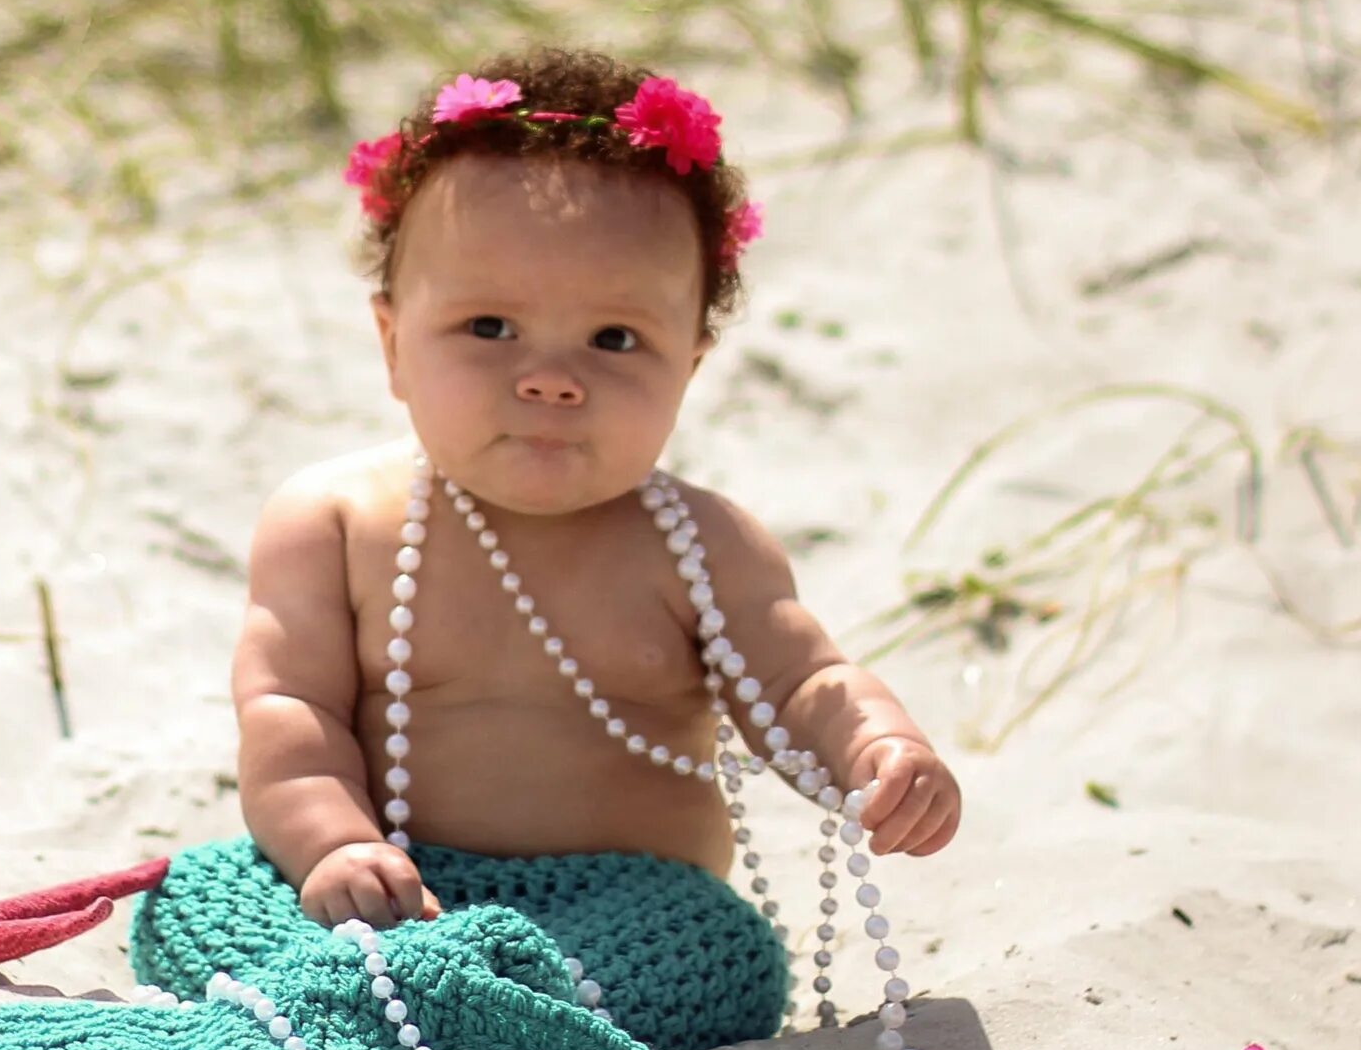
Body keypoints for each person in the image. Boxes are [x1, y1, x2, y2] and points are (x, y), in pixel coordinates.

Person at [232, 46, 961, 943]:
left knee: (714, 953)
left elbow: (803, 682)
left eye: (614, 339)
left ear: (689, 367)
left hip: (638, 913)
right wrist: (336, 848)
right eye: (489, 328)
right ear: (392, 344)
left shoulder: (702, 545)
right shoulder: (337, 522)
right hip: (394, 887)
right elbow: (287, 714)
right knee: (210, 897)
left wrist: (880, 750)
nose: (549, 379)